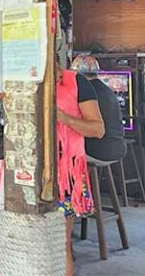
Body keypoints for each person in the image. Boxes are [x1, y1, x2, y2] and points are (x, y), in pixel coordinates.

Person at [56, 62, 105, 276]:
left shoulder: (76, 82)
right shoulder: (22, 82)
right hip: (24, 168)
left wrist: (65, 119)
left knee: (60, 241)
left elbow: (98, 129)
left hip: (66, 170)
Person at [71, 55, 126, 163]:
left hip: (97, 151)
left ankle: (76, 180)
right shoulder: (107, 90)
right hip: (118, 147)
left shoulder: (85, 91)